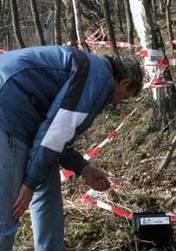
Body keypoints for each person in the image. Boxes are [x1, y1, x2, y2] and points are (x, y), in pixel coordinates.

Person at [0, 45, 144, 250]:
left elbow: (56, 137)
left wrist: (83, 168)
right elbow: (56, 132)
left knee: (46, 187)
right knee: (8, 212)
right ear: (125, 82)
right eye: (125, 97)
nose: (118, 104)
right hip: (9, 110)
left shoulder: (92, 70)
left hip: (22, 108)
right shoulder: (98, 78)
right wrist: (29, 184)